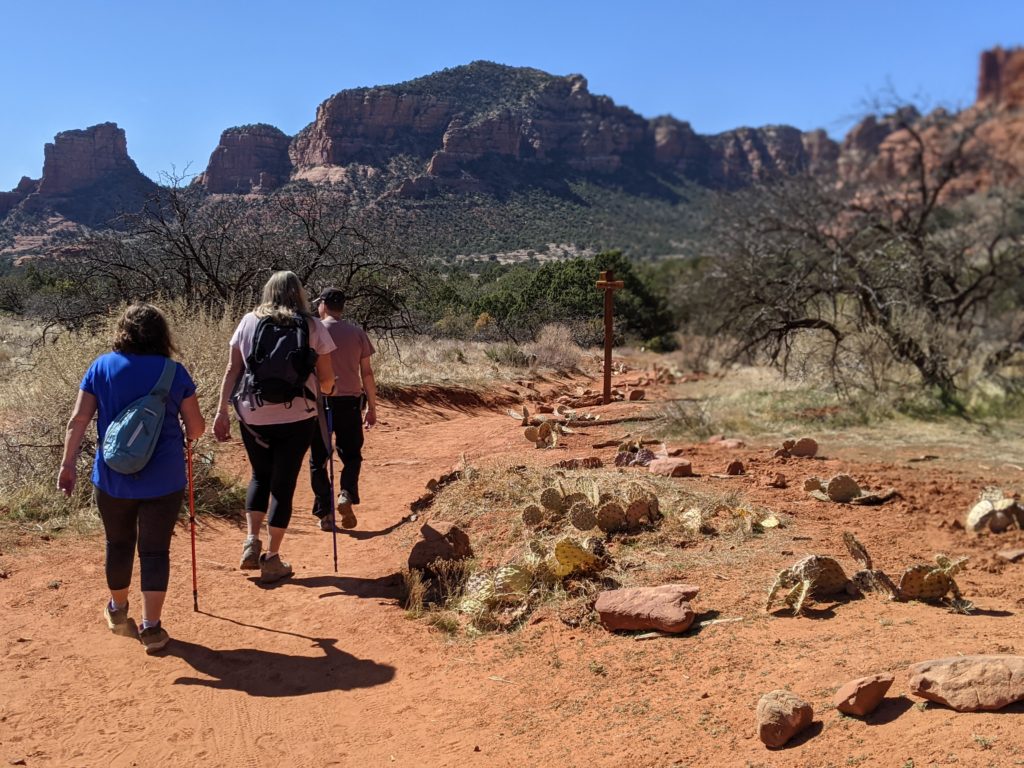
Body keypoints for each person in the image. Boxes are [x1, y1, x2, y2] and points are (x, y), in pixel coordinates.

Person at [58, 303, 205, 654]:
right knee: (155, 550)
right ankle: (151, 628)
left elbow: (78, 420)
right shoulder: (174, 372)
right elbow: (196, 429)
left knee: (118, 543)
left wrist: (67, 465)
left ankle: (118, 610)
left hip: (112, 477)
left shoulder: (101, 367)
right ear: (162, 333)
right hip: (164, 478)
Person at [213, 271, 335, 584]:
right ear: (299, 293)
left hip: (253, 415)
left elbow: (232, 369)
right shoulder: (312, 325)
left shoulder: (248, 321)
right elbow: (327, 379)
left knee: (259, 475)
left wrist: (221, 411)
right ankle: (272, 558)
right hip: (298, 416)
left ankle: (251, 540)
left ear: (268, 291)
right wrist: (326, 390)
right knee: (284, 484)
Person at [308, 287, 377, 531]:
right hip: (350, 402)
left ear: (324, 305)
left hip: (320, 403)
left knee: (318, 459)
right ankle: (346, 493)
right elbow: (366, 373)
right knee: (352, 455)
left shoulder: (313, 331)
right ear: (342, 306)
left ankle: (325, 512)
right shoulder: (357, 333)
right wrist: (372, 407)